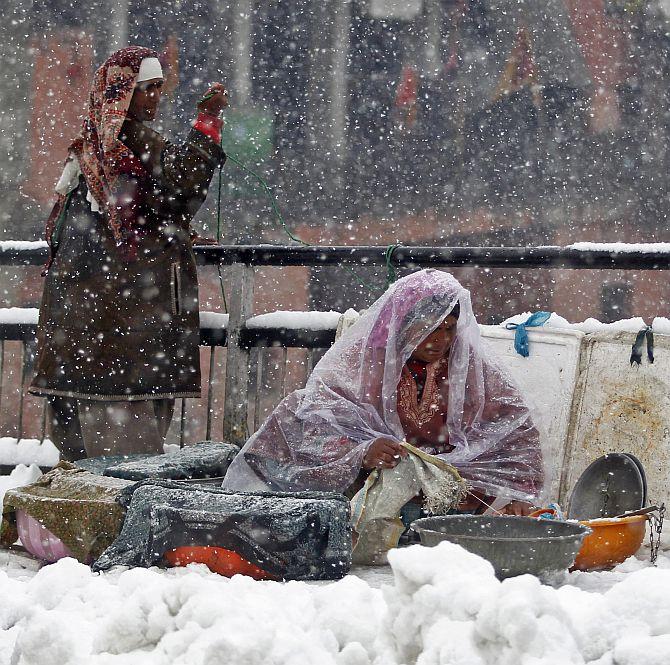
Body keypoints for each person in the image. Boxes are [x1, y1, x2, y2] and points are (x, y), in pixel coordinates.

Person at [29, 46, 228, 460]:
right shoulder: (129, 140)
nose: (155, 98)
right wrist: (207, 125)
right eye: (146, 90)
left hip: (86, 340)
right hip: (121, 345)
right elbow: (184, 184)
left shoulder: (91, 149)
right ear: (123, 94)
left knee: (84, 472)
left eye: (158, 88)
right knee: (125, 474)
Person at [223, 269, 544, 516]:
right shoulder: (366, 361)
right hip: (363, 487)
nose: (440, 340)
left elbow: (514, 426)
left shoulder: (467, 365)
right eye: (429, 328)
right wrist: (361, 453)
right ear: (403, 325)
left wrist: (519, 493)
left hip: (441, 492)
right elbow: (320, 418)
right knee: (295, 411)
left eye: (448, 328)